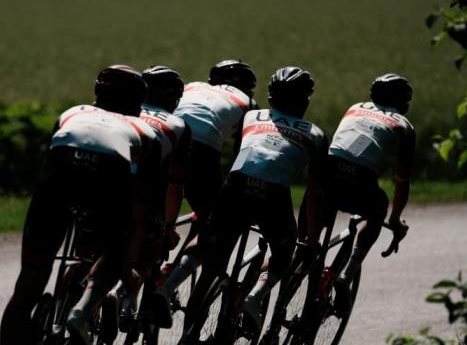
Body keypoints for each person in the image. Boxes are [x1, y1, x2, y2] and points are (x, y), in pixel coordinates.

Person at [0, 65, 159, 345]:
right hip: (107, 181)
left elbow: (47, 164)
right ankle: (83, 308)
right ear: (138, 102)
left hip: (58, 179)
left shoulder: (72, 113)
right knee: (116, 249)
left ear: (97, 92)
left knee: (28, 286)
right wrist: (127, 257)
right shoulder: (146, 132)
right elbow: (142, 205)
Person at [158, 67, 326, 329]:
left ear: (270, 100)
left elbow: (241, 156)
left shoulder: (252, 117)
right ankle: (253, 297)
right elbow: (315, 194)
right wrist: (313, 239)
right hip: (274, 195)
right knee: (283, 252)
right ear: (305, 101)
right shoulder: (315, 134)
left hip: (236, 187)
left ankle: (183, 337)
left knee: (211, 256)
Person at [149, 59, 257, 326]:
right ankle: (166, 286)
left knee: (153, 210)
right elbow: (241, 156)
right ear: (248, 88)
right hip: (203, 153)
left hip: (164, 137)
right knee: (217, 226)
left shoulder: (191, 86)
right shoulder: (248, 104)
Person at [308, 73, 415, 314]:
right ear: (404, 104)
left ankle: (302, 260)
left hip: (327, 170)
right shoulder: (404, 126)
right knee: (379, 206)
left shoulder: (355, 108)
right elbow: (402, 181)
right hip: (360, 180)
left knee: (309, 242)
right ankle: (348, 273)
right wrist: (395, 219)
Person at [112, 65, 191, 324]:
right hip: (143, 190)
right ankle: (125, 295)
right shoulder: (178, 125)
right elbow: (174, 185)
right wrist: (168, 225)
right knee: (154, 240)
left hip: (105, 179)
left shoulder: (123, 111)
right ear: (174, 99)